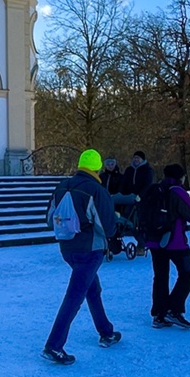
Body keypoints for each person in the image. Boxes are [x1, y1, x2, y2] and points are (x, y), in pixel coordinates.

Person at [41, 150, 121, 364]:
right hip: (90, 249)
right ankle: (54, 346)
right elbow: (107, 228)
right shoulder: (96, 190)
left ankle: (106, 331)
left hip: (67, 248)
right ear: (97, 168)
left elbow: (49, 219)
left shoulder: (62, 186)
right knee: (75, 295)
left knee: (92, 289)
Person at [141, 164, 190, 329]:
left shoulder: (155, 189)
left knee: (160, 276)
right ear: (181, 177)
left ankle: (159, 314)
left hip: (154, 240)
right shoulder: (177, 191)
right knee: (187, 273)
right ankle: (174, 309)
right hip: (175, 241)